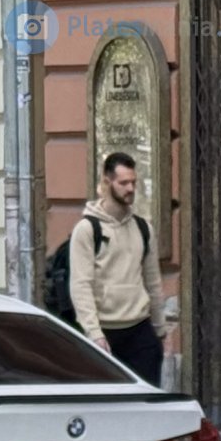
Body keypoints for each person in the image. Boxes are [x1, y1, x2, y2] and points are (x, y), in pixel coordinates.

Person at [69, 152, 169, 386]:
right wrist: (94, 334)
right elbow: (81, 285)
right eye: (123, 183)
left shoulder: (143, 228)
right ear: (106, 182)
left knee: (146, 401)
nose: (130, 188)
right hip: (105, 333)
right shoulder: (87, 229)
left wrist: (160, 330)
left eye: (133, 182)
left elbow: (153, 282)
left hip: (140, 330)